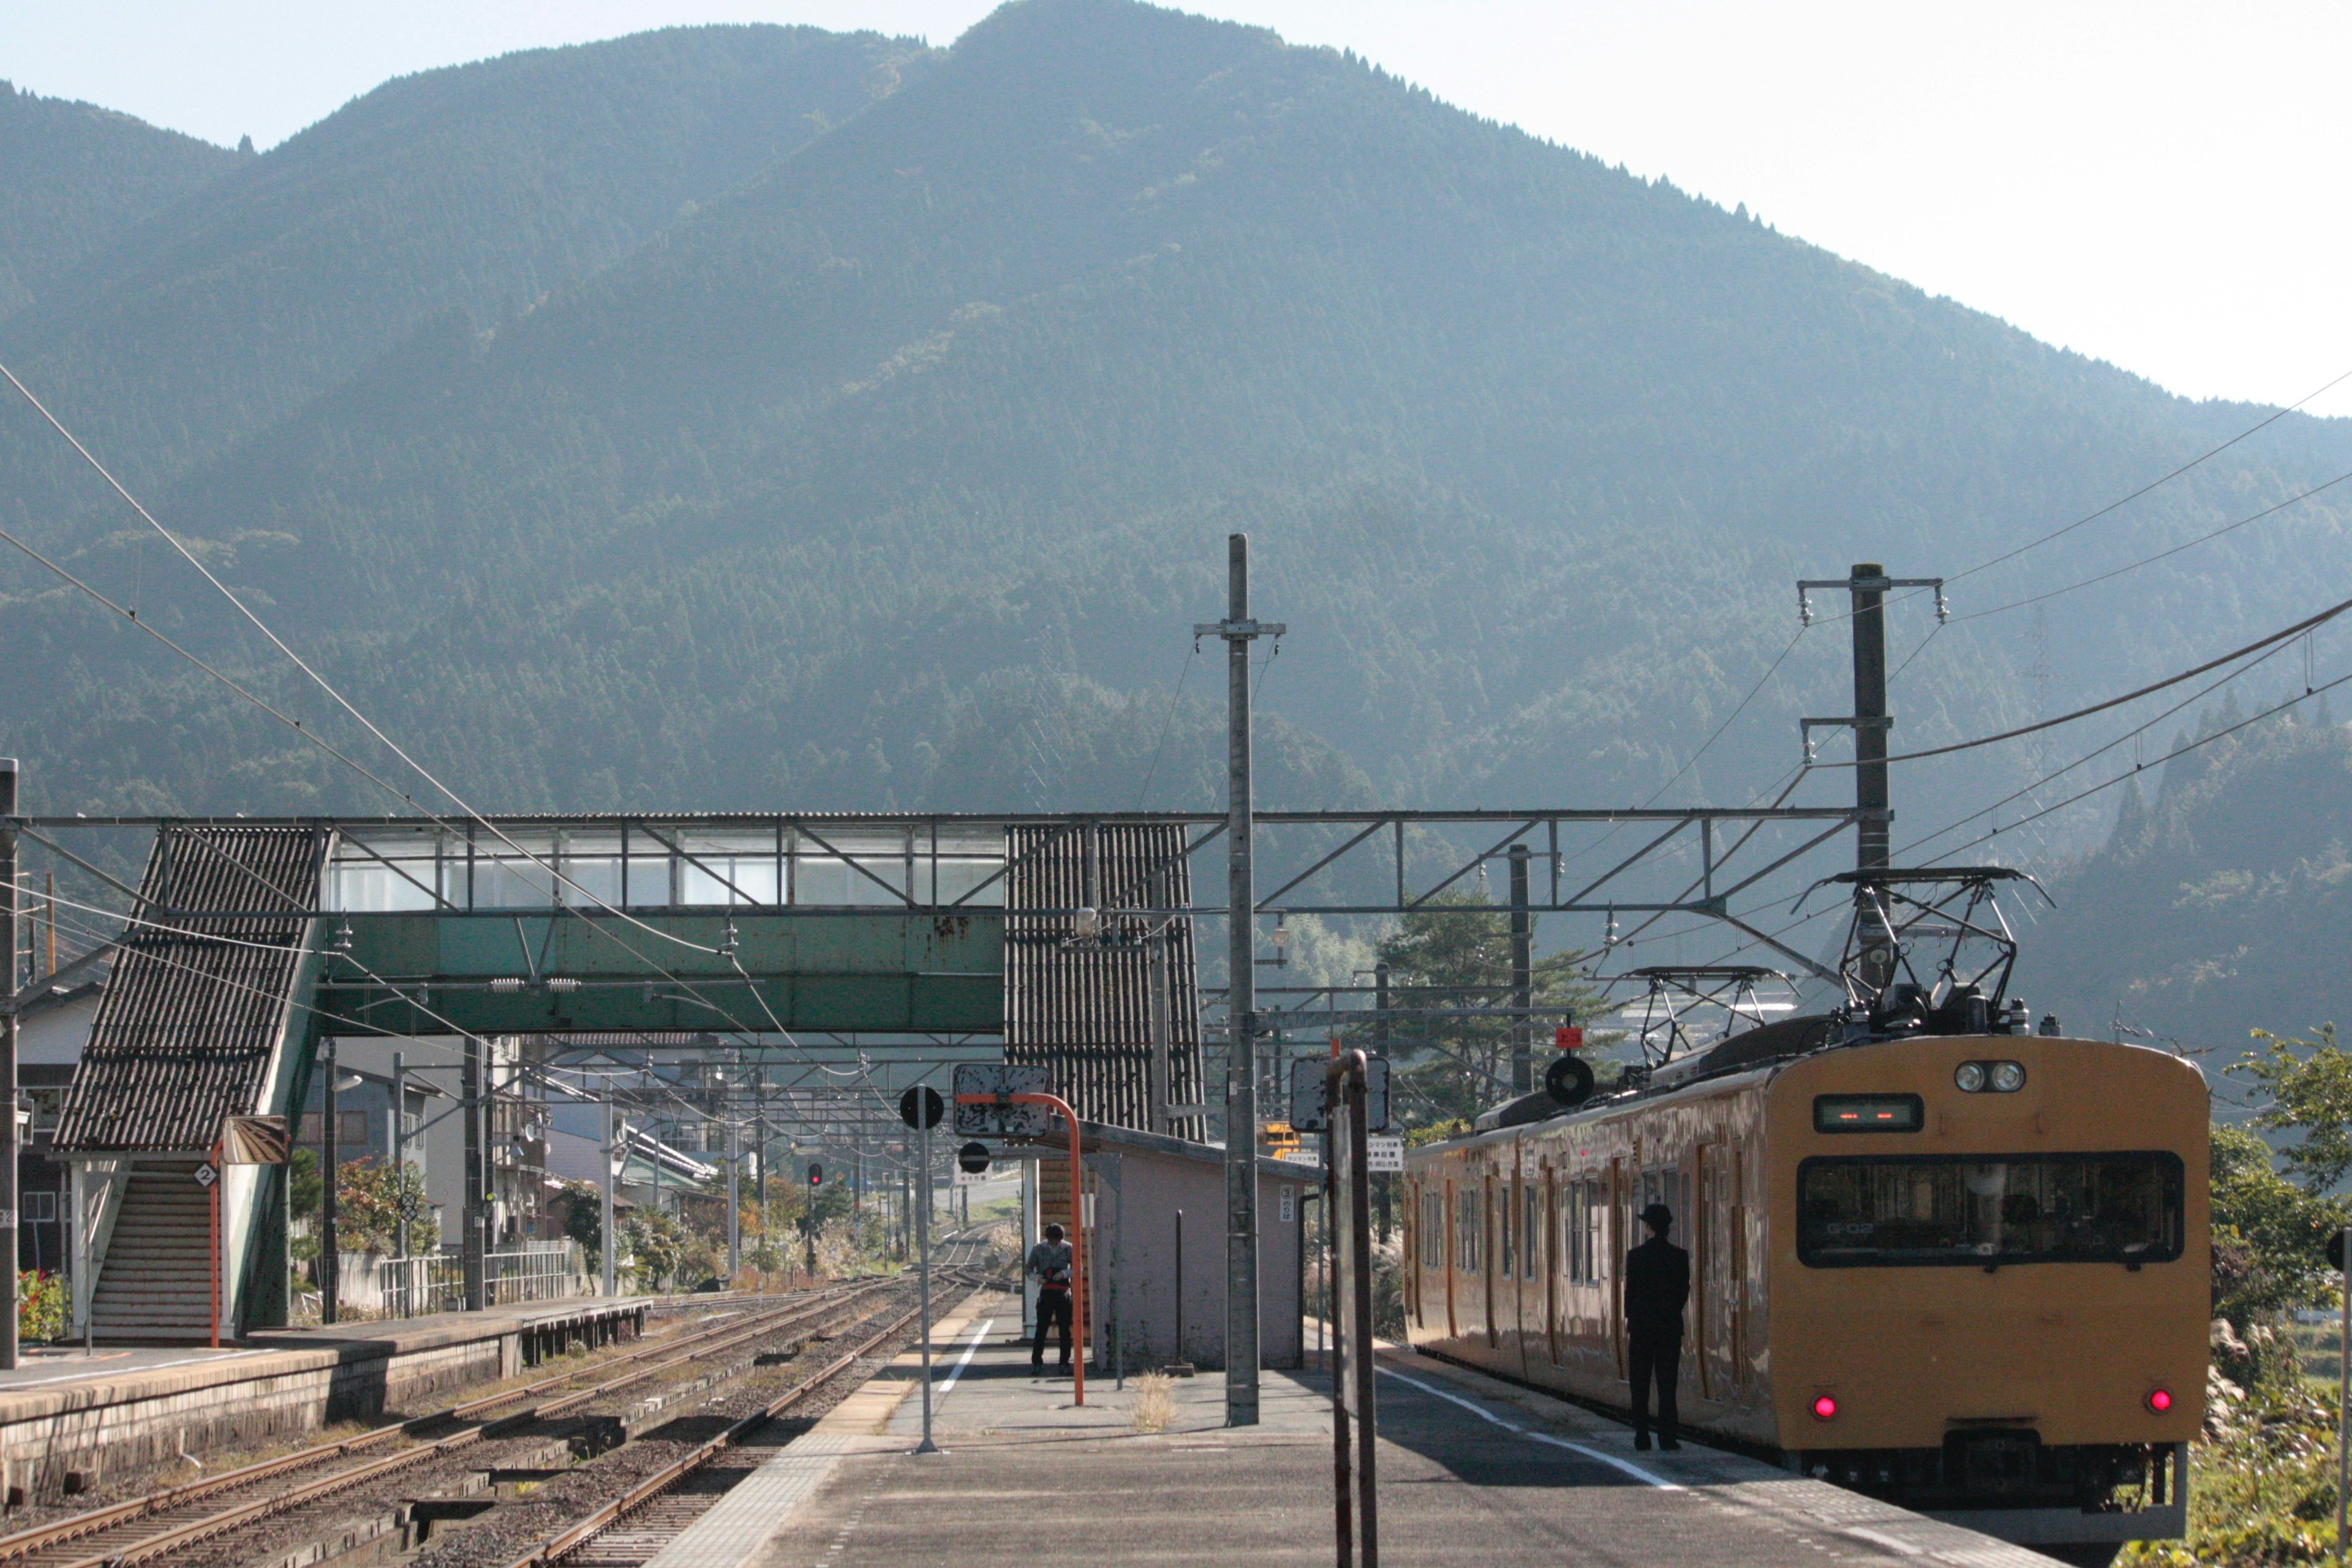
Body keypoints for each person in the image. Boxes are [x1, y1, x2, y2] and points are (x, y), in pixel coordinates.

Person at [1623, 1201, 1690, 1450]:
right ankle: (1668, 1438)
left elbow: (1630, 1293)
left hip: (1641, 1327)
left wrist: (1632, 1317)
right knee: (1667, 1383)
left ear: (1649, 1226)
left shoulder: (1636, 1256)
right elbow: (1684, 1291)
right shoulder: (1679, 1257)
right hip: (1670, 1326)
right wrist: (1670, 1312)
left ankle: (1642, 1435)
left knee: (1640, 1383)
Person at [1027, 1222, 1075, 1372]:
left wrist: (1065, 1273)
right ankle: (1037, 1362)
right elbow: (1028, 1268)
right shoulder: (1038, 1249)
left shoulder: (1068, 1248)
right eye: (1053, 1241)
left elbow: (1077, 1267)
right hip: (1046, 1291)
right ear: (1048, 1238)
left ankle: (1064, 1363)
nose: (1056, 1243)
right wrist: (1036, 1278)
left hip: (1063, 1292)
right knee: (1041, 1328)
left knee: (1064, 1330)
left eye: (1058, 1241)